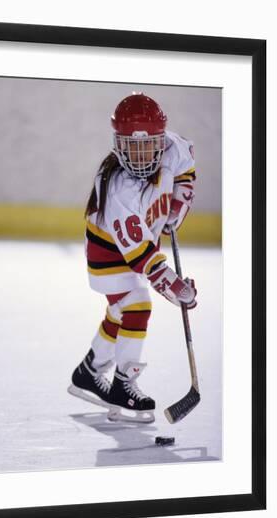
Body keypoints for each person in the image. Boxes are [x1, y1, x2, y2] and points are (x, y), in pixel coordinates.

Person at [68, 92, 197, 423]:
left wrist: (179, 203)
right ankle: (124, 386)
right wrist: (176, 288)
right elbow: (141, 257)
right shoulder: (119, 189)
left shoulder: (173, 147)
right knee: (138, 305)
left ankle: (89, 371)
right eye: (130, 145)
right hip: (109, 254)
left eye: (147, 144)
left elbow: (186, 170)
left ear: (161, 138)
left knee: (119, 312)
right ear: (117, 143)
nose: (139, 156)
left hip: (135, 248)